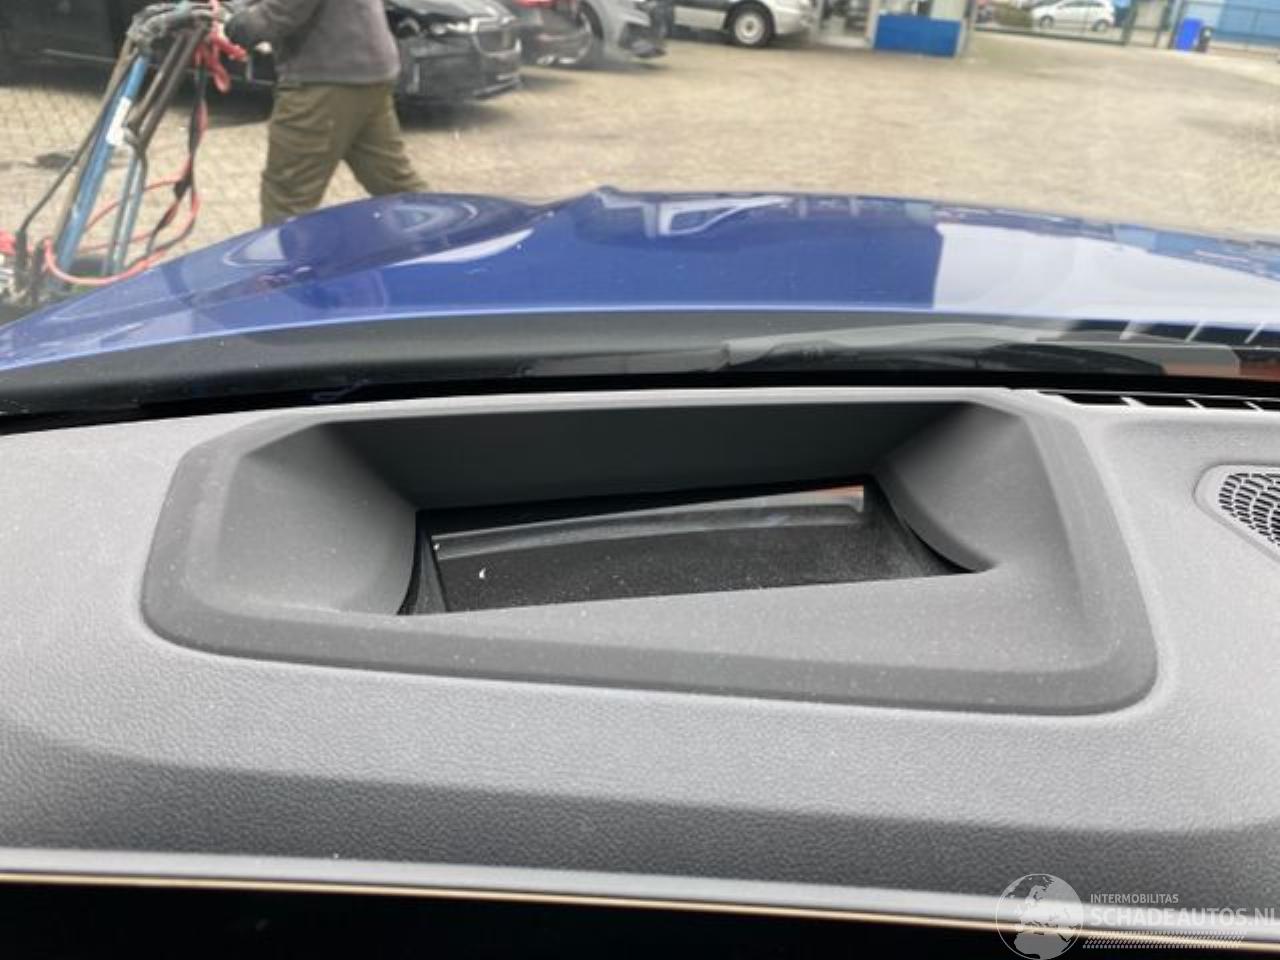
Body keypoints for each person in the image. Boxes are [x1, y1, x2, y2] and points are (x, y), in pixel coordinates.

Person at [223, 0, 428, 226]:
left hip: (325, 80)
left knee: (289, 195)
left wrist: (233, 24)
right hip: (368, 70)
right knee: (393, 181)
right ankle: (440, 232)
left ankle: (290, 250)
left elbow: (281, 12)